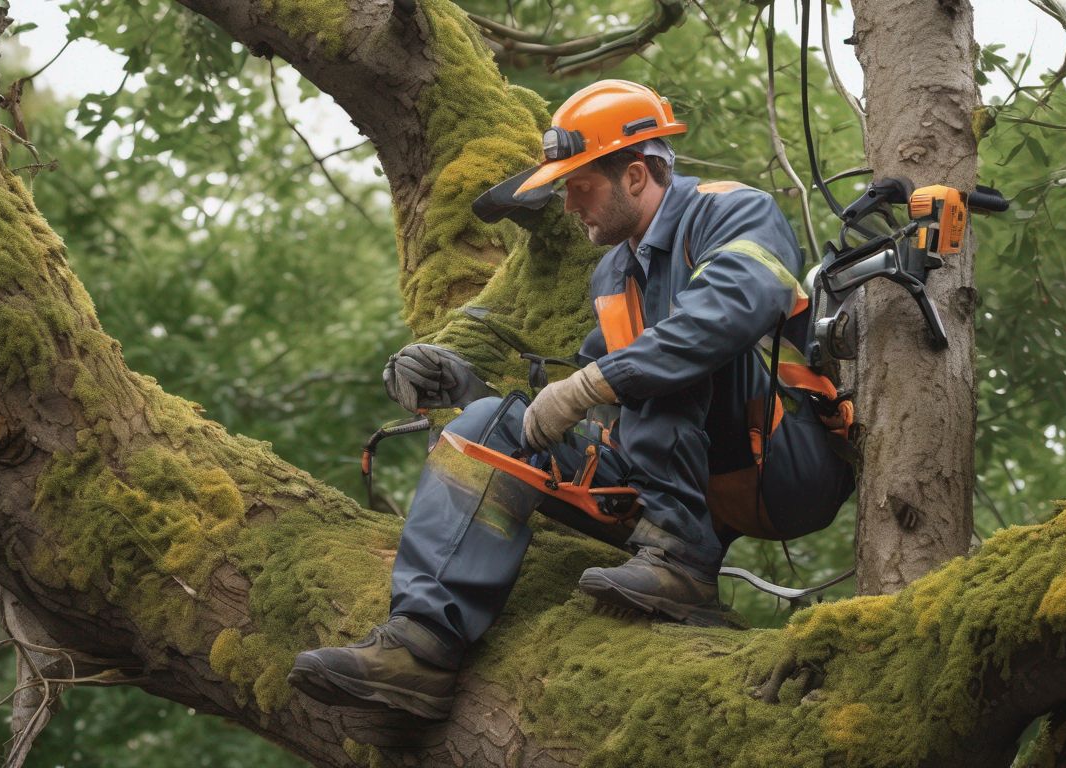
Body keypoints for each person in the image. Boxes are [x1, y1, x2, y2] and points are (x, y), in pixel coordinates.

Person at [287, 80, 855, 721]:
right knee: (489, 427)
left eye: (579, 185)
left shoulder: (732, 211)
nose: (567, 203)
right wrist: (476, 393)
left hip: (784, 463)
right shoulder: (612, 272)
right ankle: (419, 650)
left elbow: (728, 312)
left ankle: (681, 562)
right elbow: (592, 404)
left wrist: (594, 384)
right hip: (685, 476)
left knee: (662, 355)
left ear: (634, 174)